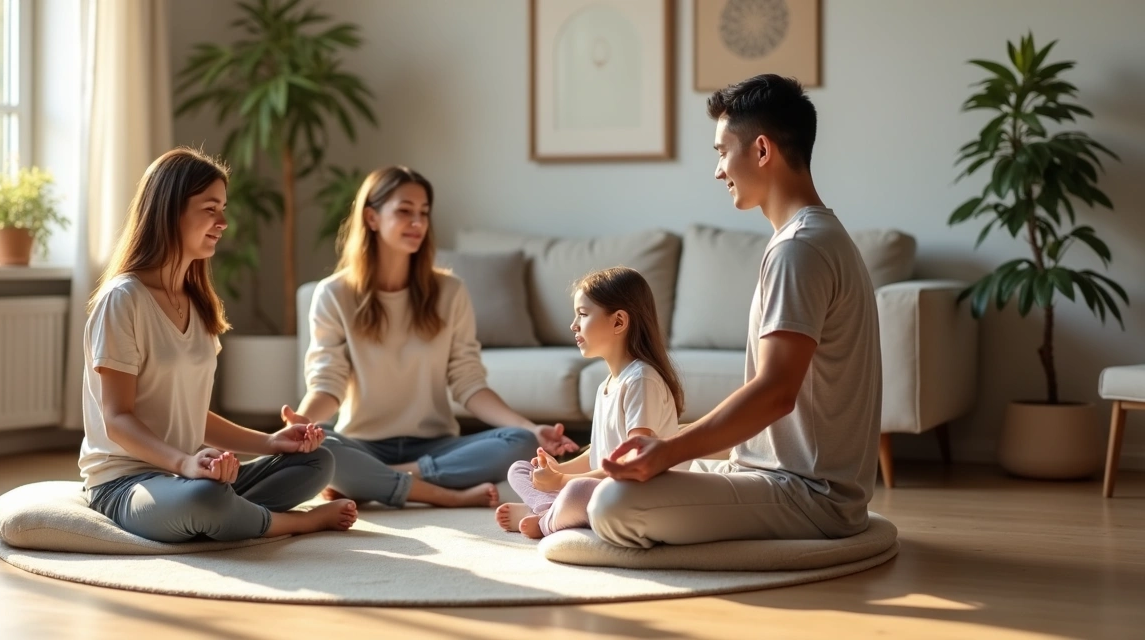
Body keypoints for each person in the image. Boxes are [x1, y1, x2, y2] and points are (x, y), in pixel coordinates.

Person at [587, 74, 883, 547]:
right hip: (766, 473)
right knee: (607, 479)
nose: (718, 171)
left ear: (762, 151)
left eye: (723, 151)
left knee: (610, 504)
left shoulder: (799, 249)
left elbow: (775, 393)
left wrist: (667, 453)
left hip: (808, 494)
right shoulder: (814, 237)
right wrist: (665, 450)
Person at [79, 147, 357, 543]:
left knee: (318, 460)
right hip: (125, 483)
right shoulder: (124, 299)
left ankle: (230, 513)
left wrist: (270, 441)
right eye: (210, 209)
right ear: (171, 210)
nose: (223, 222)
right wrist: (184, 463)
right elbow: (117, 418)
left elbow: (193, 414)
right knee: (203, 501)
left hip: (188, 474)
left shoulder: (198, 302)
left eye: (223, 208)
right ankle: (294, 523)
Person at [288, 165, 579, 509]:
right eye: (405, 211)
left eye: (424, 213)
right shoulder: (333, 293)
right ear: (371, 217)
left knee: (521, 443)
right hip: (363, 441)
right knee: (325, 448)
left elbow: (468, 382)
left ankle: (377, 479)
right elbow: (327, 383)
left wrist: (531, 429)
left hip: (436, 444)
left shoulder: (450, 291)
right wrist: (300, 427)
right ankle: (438, 493)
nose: (418, 223)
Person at [495, 267, 685, 539]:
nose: (573, 325)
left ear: (619, 322)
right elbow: (599, 454)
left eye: (582, 315)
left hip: (637, 495)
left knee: (577, 491)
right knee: (520, 469)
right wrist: (556, 470)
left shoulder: (642, 380)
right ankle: (549, 509)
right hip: (605, 486)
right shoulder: (607, 385)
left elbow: (635, 464)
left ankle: (548, 520)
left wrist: (561, 482)